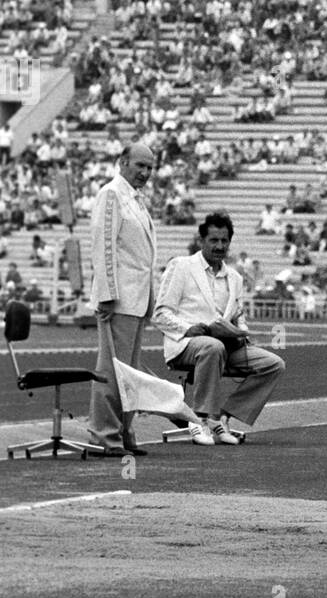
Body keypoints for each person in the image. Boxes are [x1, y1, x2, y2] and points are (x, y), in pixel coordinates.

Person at [152, 211, 285, 446]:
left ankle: (222, 417)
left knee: (273, 364)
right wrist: (190, 328)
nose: (219, 246)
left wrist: (240, 333)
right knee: (212, 346)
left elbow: (239, 316)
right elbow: (160, 314)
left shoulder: (234, 278)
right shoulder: (181, 266)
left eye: (224, 241)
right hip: (186, 345)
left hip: (225, 346)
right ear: (201, 241)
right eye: (214, 240)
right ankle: (201, 419)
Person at [88, 142, 159, 456]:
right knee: (112, 371)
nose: (144, 173)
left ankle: (124, 433)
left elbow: (144, 258)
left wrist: (150, 299)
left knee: (131, 374)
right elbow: (103, 246)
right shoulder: (112, 194)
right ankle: (105, 434)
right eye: (139, 165)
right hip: (118, 299)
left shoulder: (137, 201)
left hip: (137, 299)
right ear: (122, 163)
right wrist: (106, 294)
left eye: (149, 168)